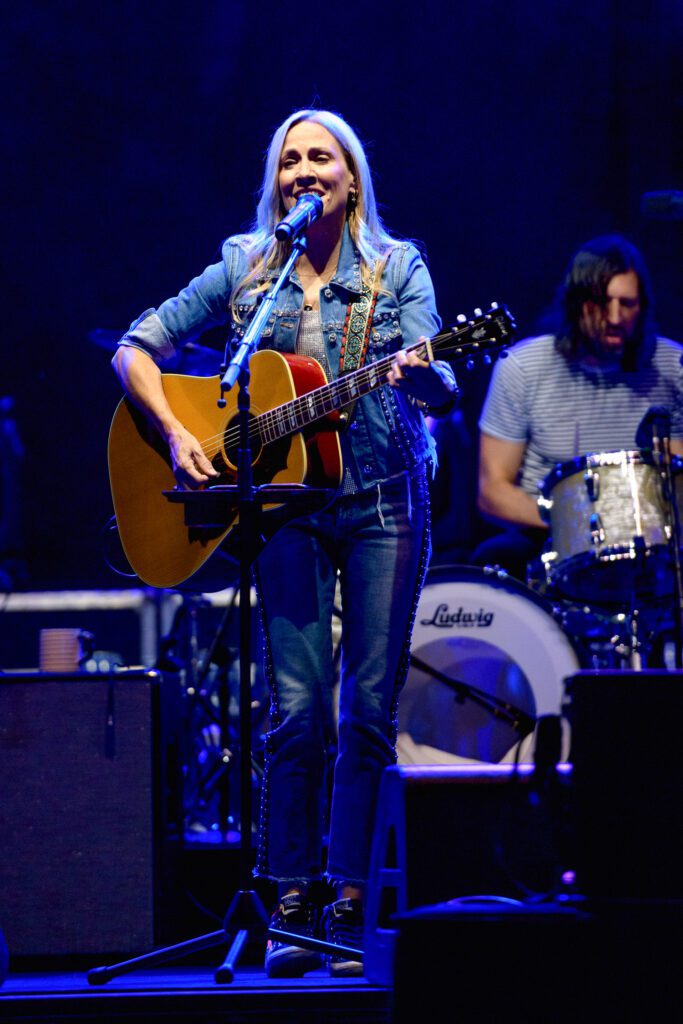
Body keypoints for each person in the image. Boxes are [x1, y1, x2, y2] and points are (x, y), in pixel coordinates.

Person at [112, 109, 457, 977]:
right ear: (277, 181)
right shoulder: (243, 268)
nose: (304, 169)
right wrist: (178, 432)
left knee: (364, 711)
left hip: (382, 499)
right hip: (282, 505)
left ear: (351, 180)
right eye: (290, 159)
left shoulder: (396, 266)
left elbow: (443, 384)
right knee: (296, 711)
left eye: (321, 158)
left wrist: (427, 375)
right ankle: (290, 896)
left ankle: (347, 902)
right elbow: (135, 349)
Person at [475, 233, 683, 582]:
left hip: (648, 544)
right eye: (601, 302)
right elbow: (492, 491)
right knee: (495, 556)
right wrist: (581, 524)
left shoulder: (672, 367)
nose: (615, 317)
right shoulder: (523, 367)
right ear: (576, 303)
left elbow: (676, 478)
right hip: (546, 540)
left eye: (627, 304)